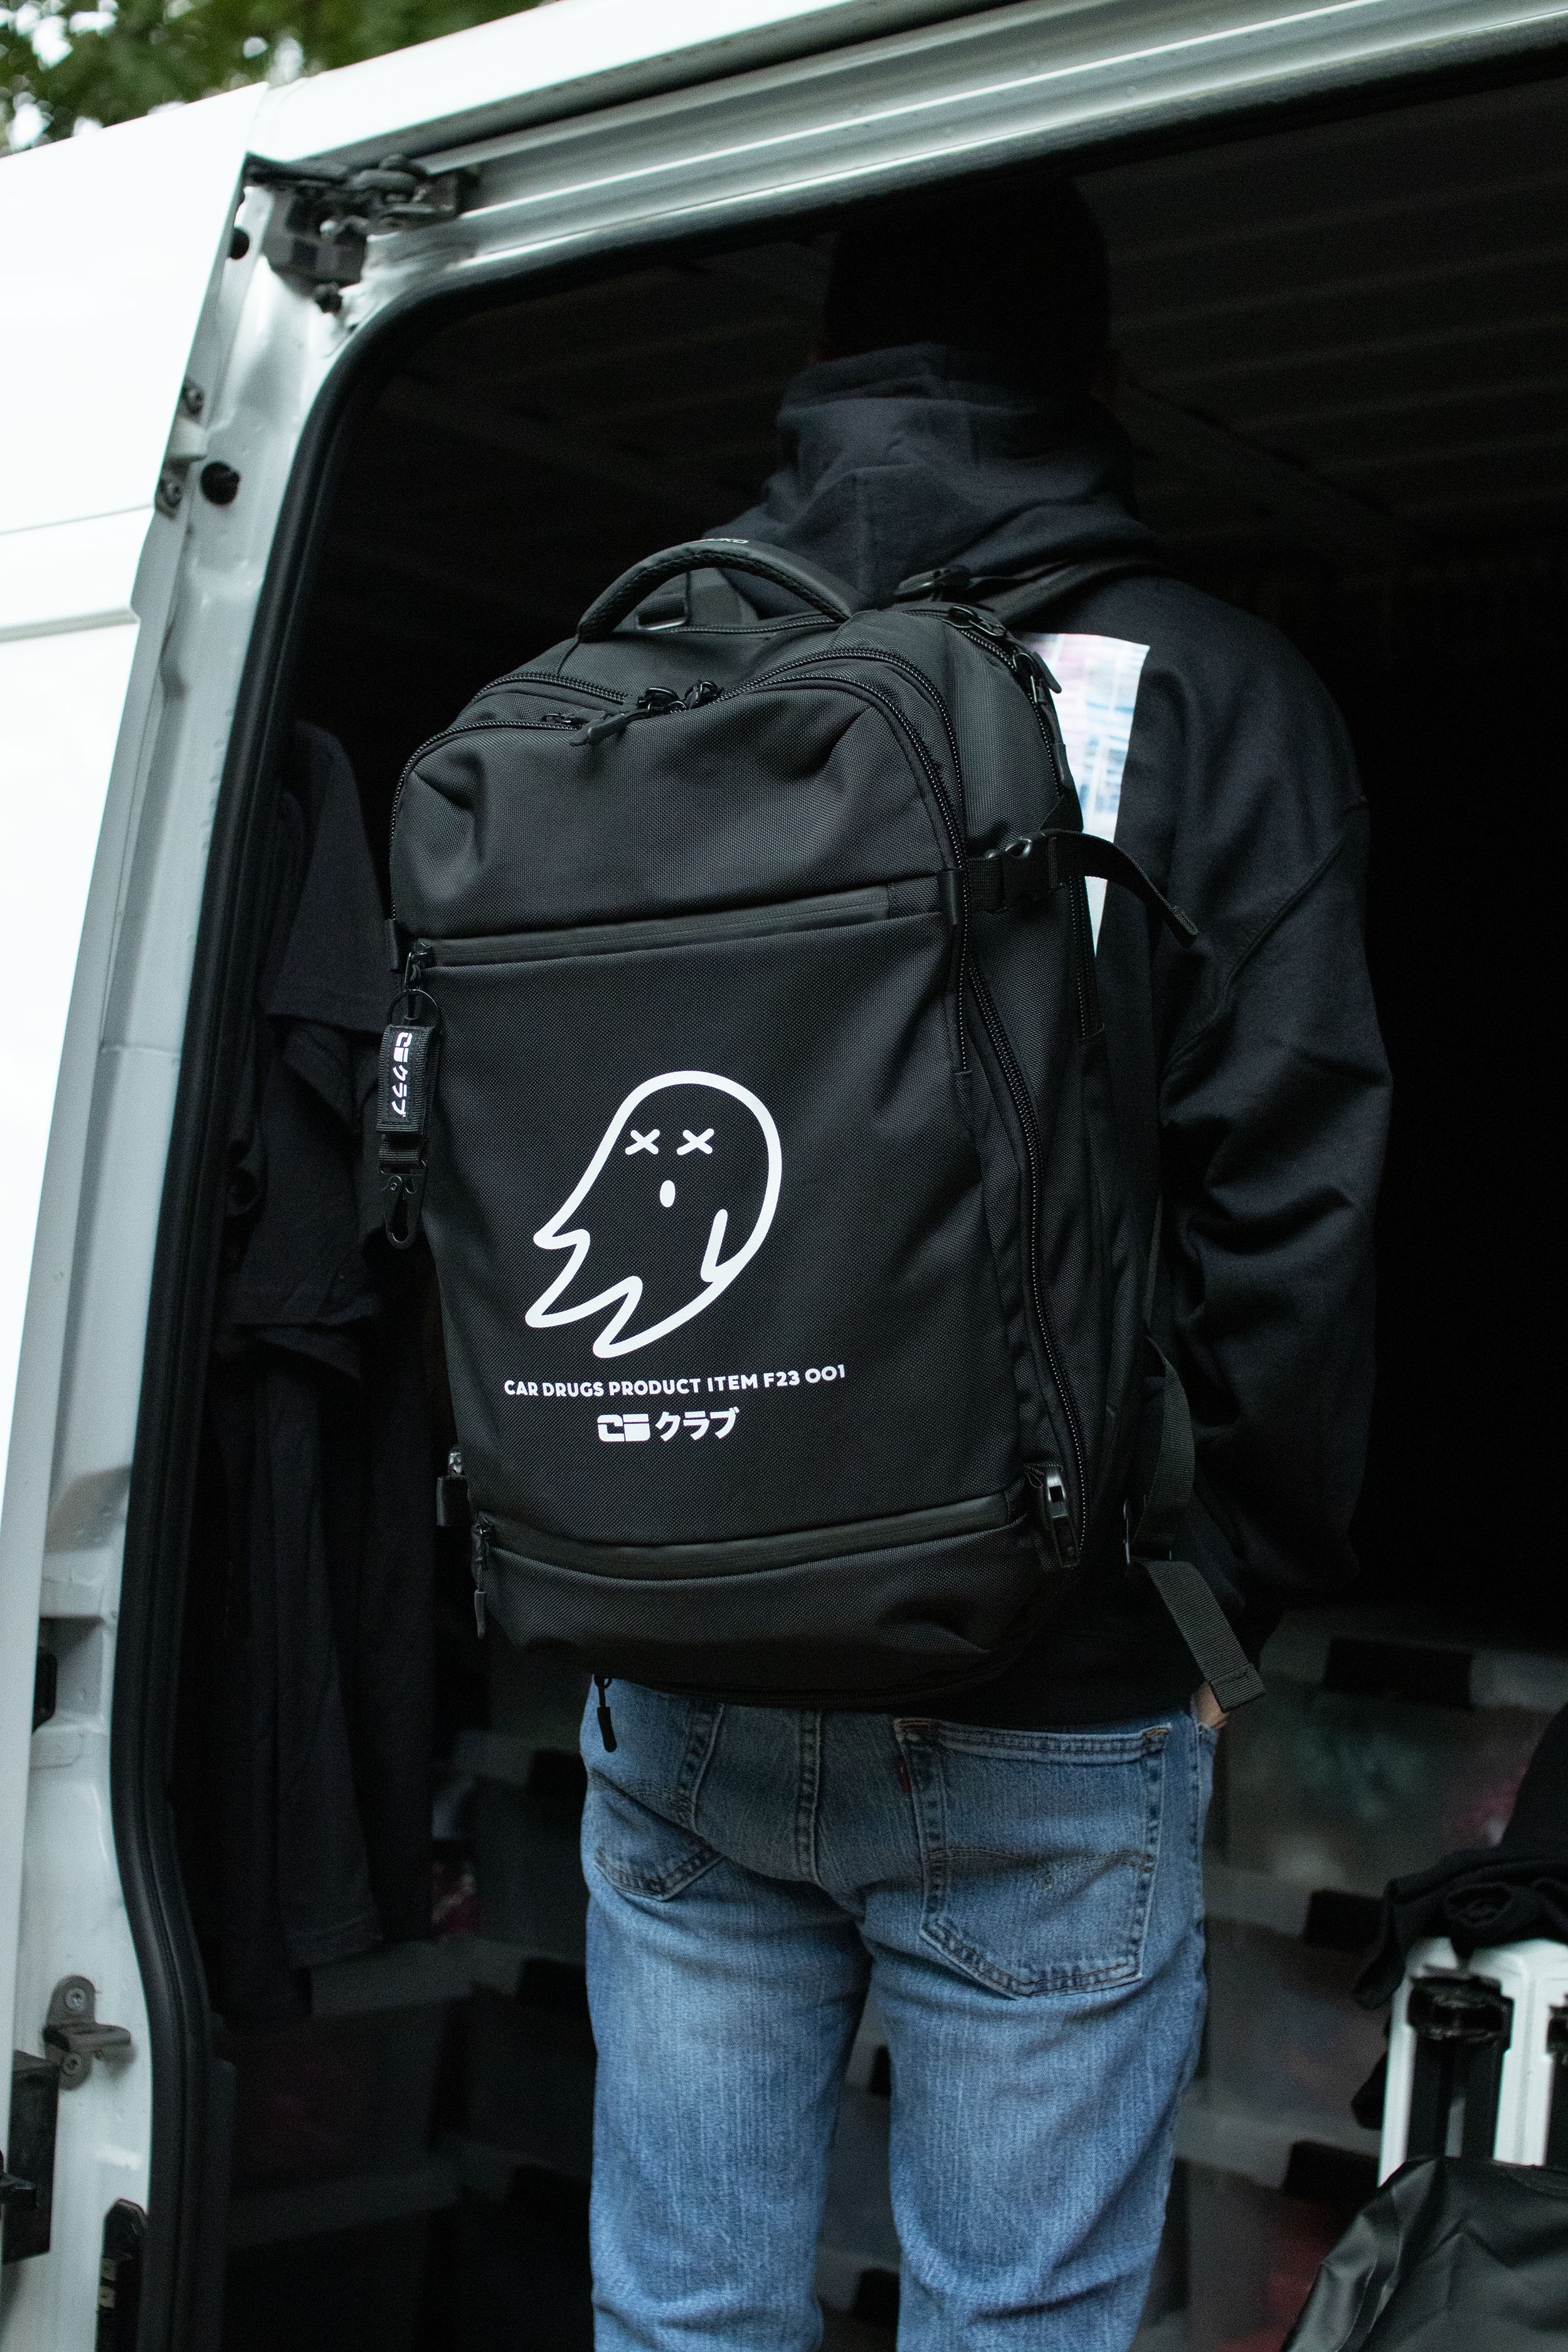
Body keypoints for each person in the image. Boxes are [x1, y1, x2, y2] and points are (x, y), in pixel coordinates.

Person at [580, 176, 1391, 2350]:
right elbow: (1288, 1195)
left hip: (676, 1637)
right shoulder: (1199, 687)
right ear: (1098, 379)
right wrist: (1214, 1594)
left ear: (813, 369)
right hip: (1048, 1669)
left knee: (679, 2322)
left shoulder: (635, 676)